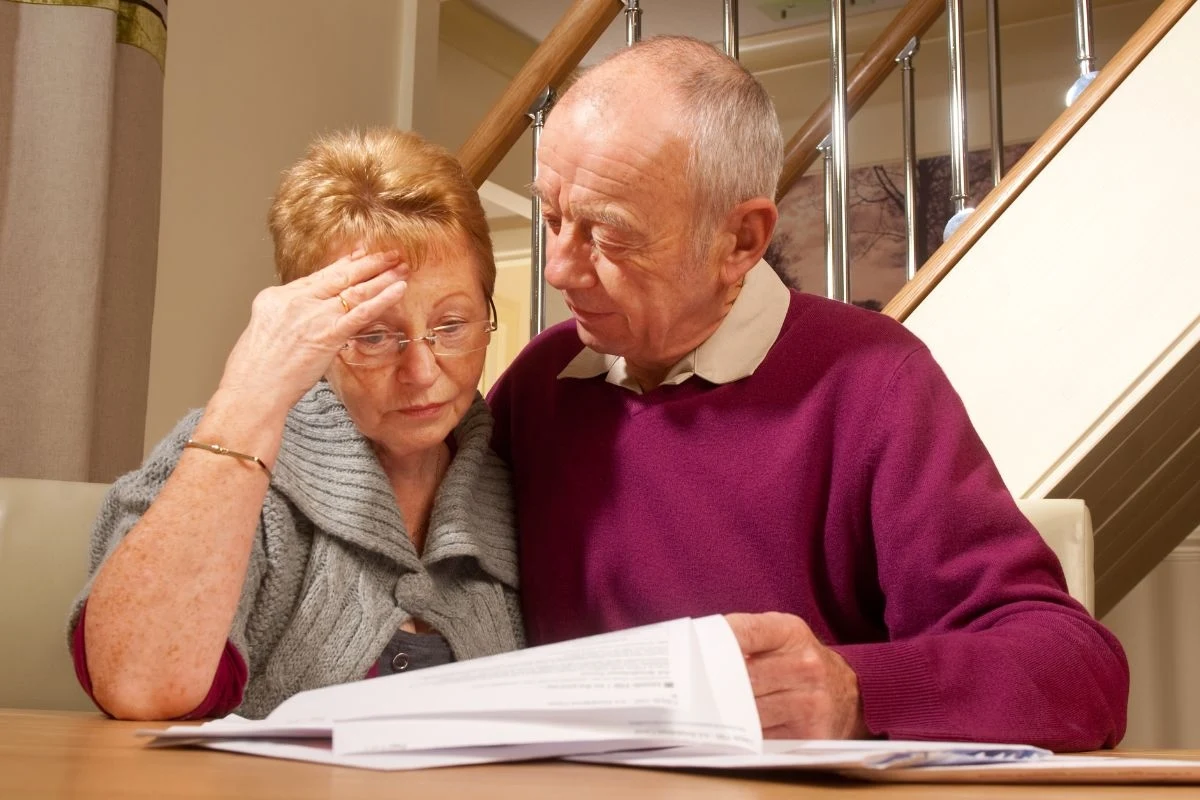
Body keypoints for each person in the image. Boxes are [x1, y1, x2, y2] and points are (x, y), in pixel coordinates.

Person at [487, 36, 1128, 751]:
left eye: (609, 236)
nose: (558, 270)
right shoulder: (541, 381)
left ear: (740, 240)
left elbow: (1081, 672)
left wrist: (855, 692)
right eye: (551, 219)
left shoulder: (874, 380)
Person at [68, 128, 522, 721]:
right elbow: (139, 686)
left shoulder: (523, 475)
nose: (421, 370)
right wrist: (251, 389)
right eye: (373, 333)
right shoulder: (224, 453)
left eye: (454, 325)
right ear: (312, 331)